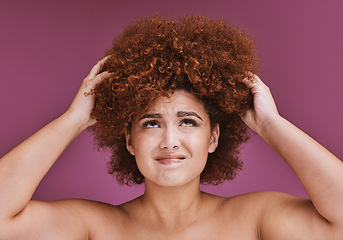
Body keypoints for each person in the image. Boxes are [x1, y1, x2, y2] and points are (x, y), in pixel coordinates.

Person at [0, 15, 342, 240]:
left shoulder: (254, 218)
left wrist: (271, 125)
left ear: (213, 137)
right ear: (130, 140)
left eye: (188, 122)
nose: (170, 141)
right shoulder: (95, 227)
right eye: (151, 123)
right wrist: (74, 119)